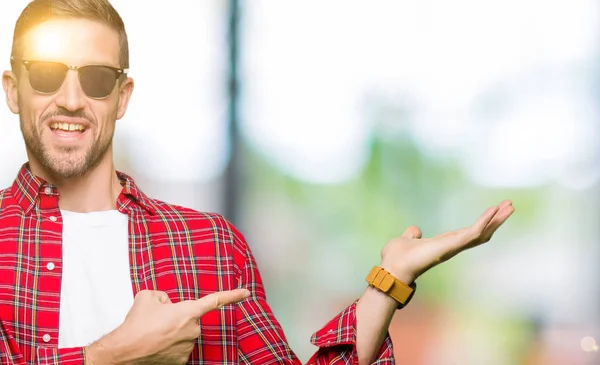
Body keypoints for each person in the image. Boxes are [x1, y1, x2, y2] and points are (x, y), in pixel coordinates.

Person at [0, 0, 515, 364]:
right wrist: (111, 356)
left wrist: (387, 285)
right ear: (13, 91)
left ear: (123, 95)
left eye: (94, 79)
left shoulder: (210, 246)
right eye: (45, 74)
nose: (70, 99)